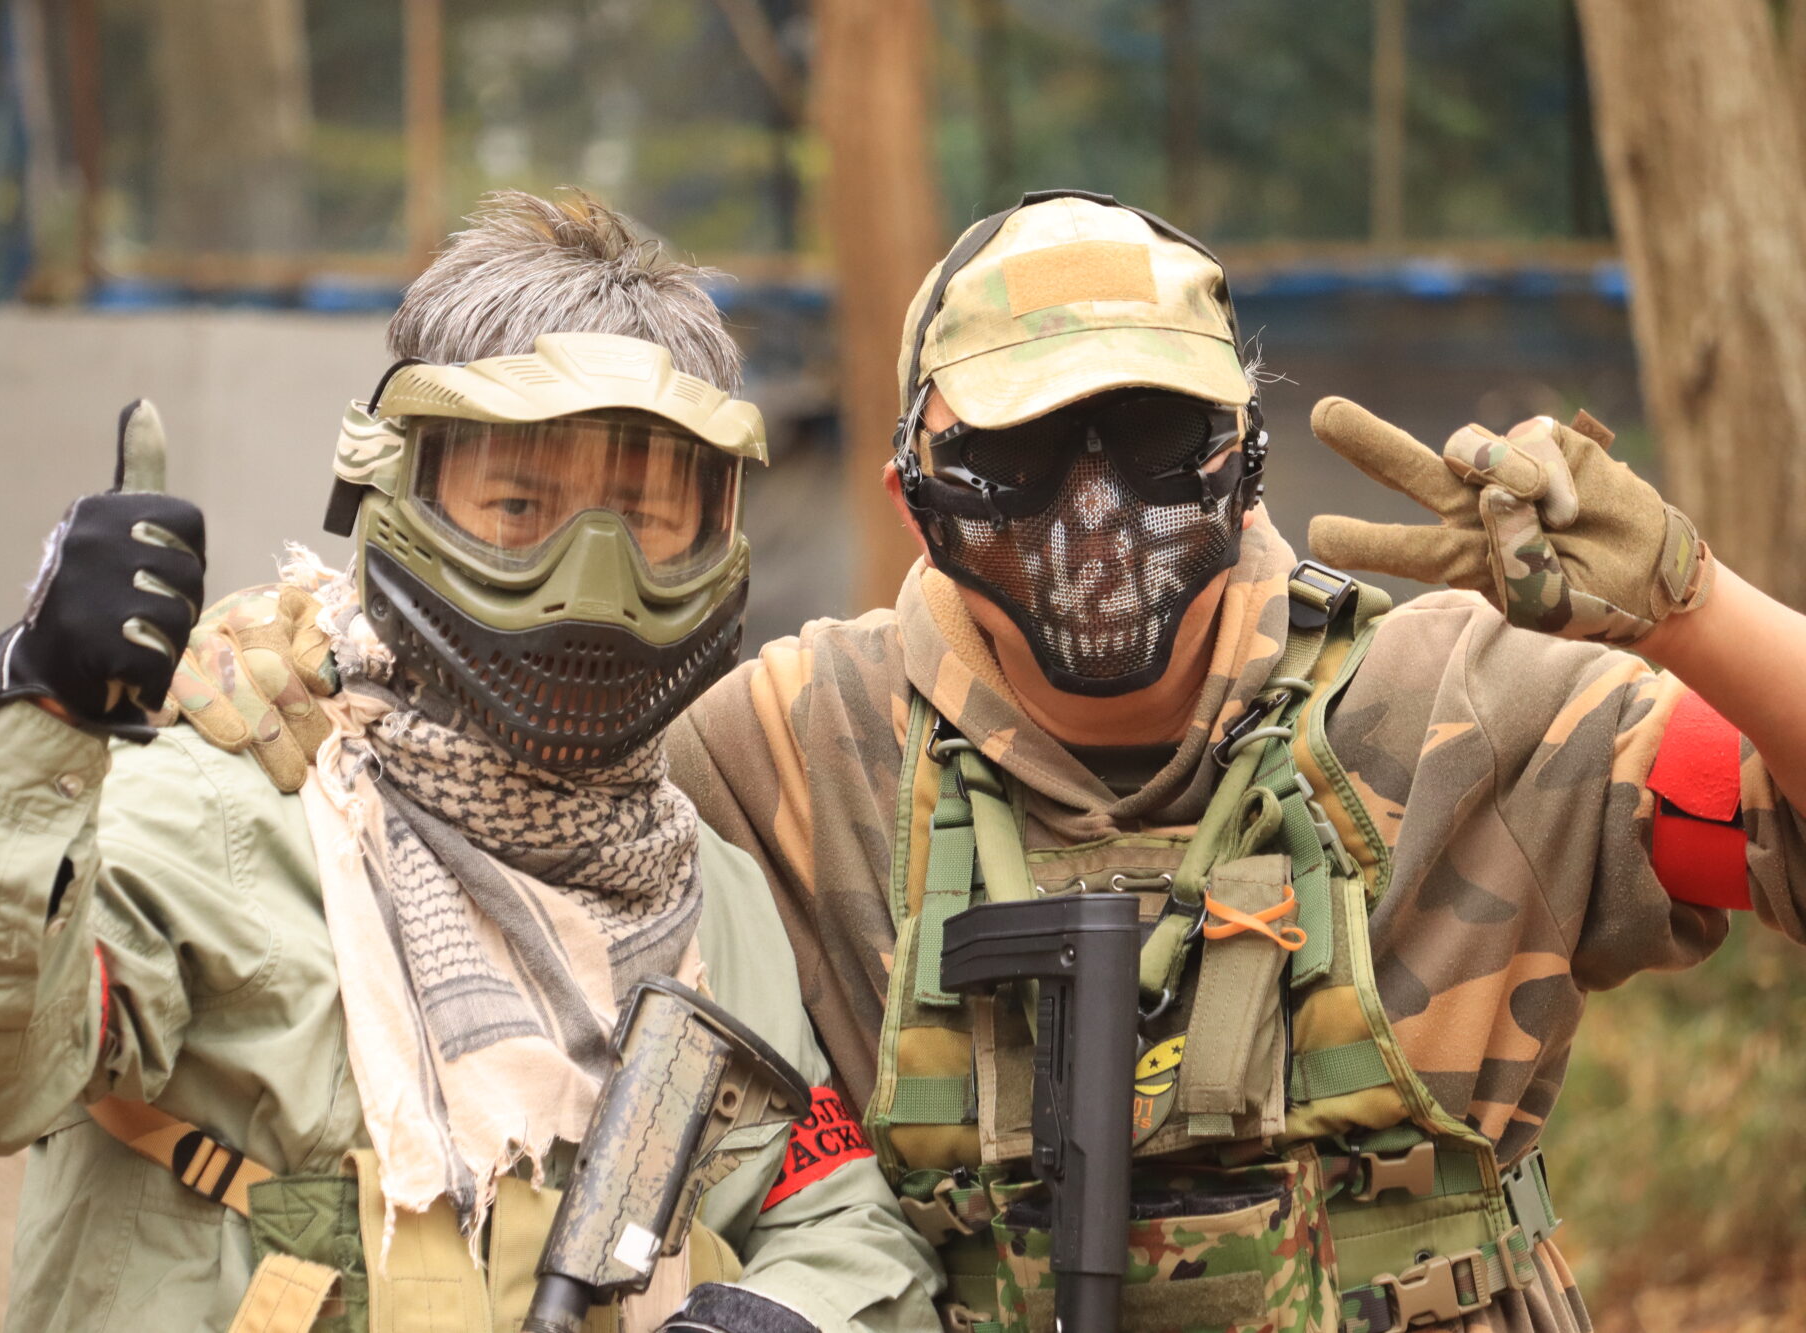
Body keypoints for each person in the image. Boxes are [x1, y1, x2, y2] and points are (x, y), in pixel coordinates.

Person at [169, 190, 1806, 1333]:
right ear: (915, 497)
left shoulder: (1457, 705)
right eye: (1020, 454)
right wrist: (278, 654)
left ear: (1241, 462)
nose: (1096, 513)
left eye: (1153, 442)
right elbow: (469, 783)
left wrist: (1697, 611)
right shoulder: (792, 744)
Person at [0, 192, 942, 1333]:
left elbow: (836, 1216)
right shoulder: (220, 811)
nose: (591, 577)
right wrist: (48, 716)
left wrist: (778, 1315)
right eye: (518, 505)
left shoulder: (710, 893)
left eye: (648, 519)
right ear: (394, 486)